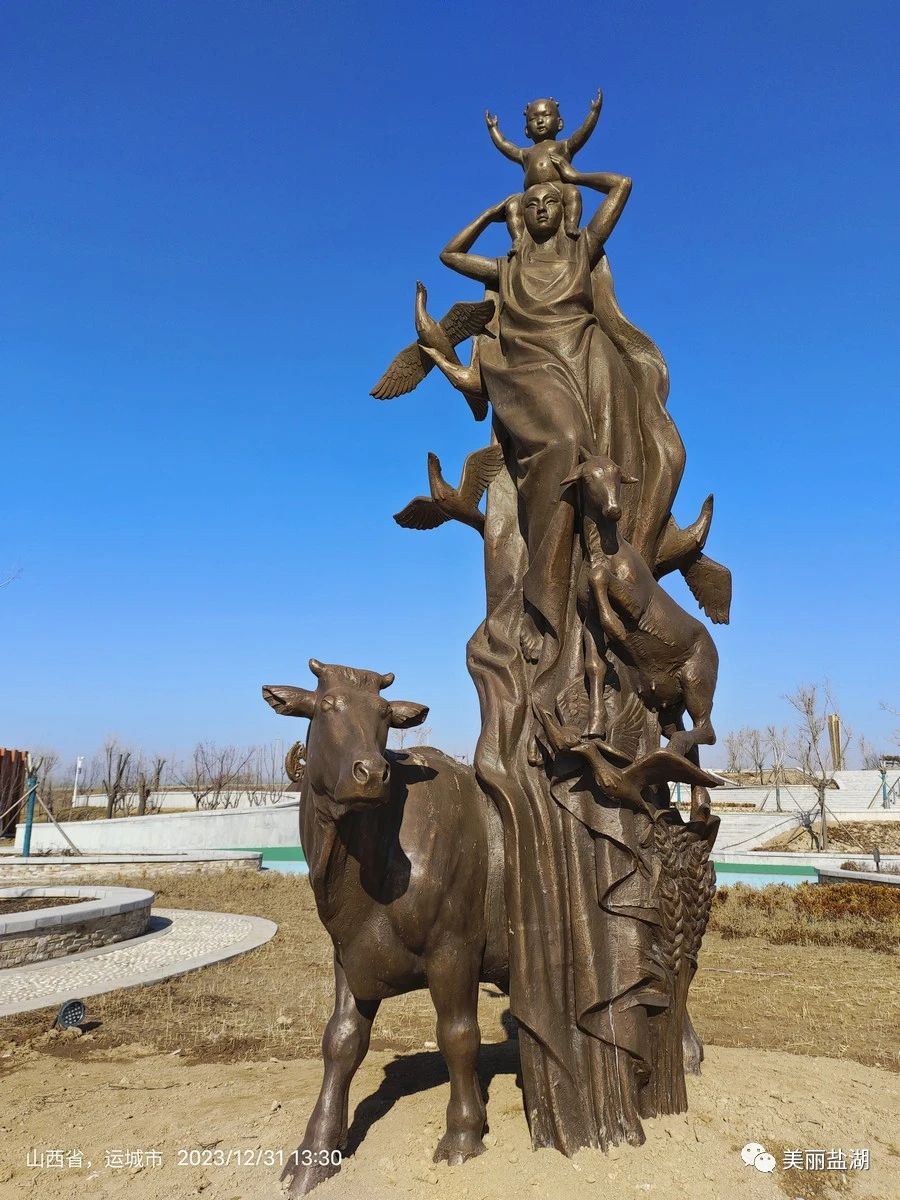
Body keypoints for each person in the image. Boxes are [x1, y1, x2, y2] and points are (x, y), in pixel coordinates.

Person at [484, 92, 603, 253]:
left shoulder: (563, 146)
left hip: (557, 187)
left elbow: (582, 133)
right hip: (531, 193)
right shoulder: (525, 153)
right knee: (512, 205)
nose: (540, 121)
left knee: (573, 193)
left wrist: (594, 113)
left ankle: (570, 225)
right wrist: (493, 129)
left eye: (546, 115)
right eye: (533, 118)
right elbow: (505, 146)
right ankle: (518, 239)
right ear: (527, 131)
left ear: (559, 123)